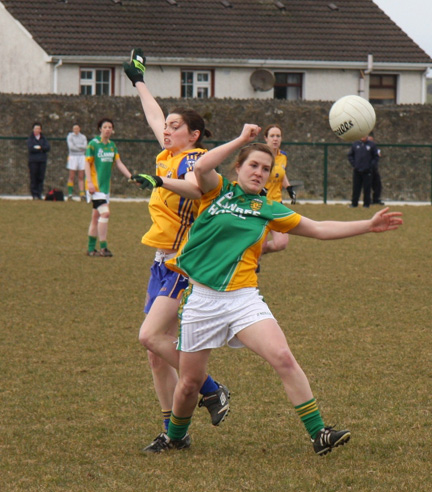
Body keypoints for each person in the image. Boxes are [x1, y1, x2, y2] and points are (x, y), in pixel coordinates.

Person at [146, 123, 403, 455]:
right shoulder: (217, 190)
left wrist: (367, 225)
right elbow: (202, 167)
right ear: (238, 167)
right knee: (190, 384)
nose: (260, 173)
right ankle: (176, 436)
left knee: (282, 357)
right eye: (253, 165)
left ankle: (319, 433)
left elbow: (320, 228)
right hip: (202, 300)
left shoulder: (268, 209)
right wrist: (241, 139)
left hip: (243, 298)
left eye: (266, 169)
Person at [123, 48, 230, 452]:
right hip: (159, 263)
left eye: (174, 126)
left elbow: (198, 187)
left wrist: (159, 183)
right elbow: (153, 114)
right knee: (154, 355)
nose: (165, 129)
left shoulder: (197, 161)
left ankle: (212, 388)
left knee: (149, 337)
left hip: (183, 264)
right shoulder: (167, 156)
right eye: (165, 126)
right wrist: (138, 80)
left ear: (194, 135)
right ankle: (173, 433)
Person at [85, 118, 132, 257]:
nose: (107, 129)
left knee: (95, 217)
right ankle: (104, 248)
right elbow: (87, 164)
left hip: (105, 189)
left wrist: (131, 177)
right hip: (96, 188)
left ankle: (90, 249)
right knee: (105, 213)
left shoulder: (112, 146)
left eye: (110, 127)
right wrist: (89, 183)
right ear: (100, 129)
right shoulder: (93, 144)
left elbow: (119, 163)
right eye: (105, 127)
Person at [262, 123, 296, 254]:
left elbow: (280, 173)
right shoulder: (260, 155)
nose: (275, 139)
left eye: (278, 136)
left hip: (276, 203)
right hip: (261, 204)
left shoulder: (283, 156)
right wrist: (259, 189)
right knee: (260, 242)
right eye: (272, 136)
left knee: (281, 243)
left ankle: (256, 252)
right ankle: (254, 260)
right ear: (266, 138)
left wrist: (289, 188)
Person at [348, 135, 379, 208]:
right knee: (356, 187)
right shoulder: (355, 144)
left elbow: (376, 157)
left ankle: (366, 204)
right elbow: (350, 155)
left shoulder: (371, 145)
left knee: (367, 188)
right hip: (357, 170)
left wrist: (370, 166)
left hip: (367, 171)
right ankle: (354, 203)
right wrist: (354, 164)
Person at [26, 122, 51, 200]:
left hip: (42, 160)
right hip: (33, 161)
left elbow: (47, 147)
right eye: (35, 128)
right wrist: (40, 149)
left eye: (38, 129)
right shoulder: (30, 139)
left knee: (41, 177)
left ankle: (39, 193)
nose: (37, 130)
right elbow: (31, 148)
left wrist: (40, 148)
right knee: (34, 177)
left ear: (40, 130)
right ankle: (34, 194)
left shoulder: (43, 138)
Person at [66, 124, 88, 201]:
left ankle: (82, 194)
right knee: (71, 176)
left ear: (79, 129)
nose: (76, 130)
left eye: (77, 128)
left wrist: (77, 146)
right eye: (74, 128)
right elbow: (71, 147)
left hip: (81, 157)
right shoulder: (70, 136)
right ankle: (70, 194)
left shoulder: (83, 137)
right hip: (73, 157)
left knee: (81, 176)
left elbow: (85, 147)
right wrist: (80, 147)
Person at [368, 132, 384, 205]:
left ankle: (376, 199)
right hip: (366, 169)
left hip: (374, 169)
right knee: (367, 185)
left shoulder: (374, 149)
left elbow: (377, 156)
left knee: (377, 185)